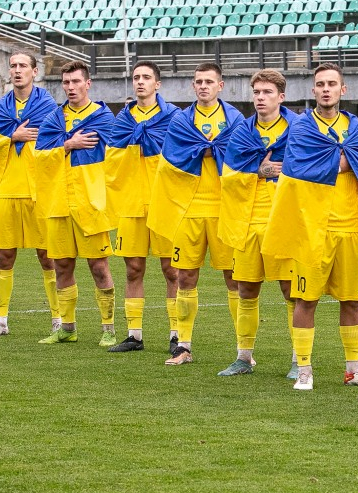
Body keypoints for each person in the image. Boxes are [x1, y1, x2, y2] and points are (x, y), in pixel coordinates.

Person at [262, 62, 358, 391]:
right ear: (313, 90)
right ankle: (304, 369)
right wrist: (342, 162)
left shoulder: (355, 128)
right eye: (320, 84)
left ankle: (354, 370)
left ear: (342, 90)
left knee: (352, 301)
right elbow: (301, 169)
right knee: (305, 299)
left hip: (349, 226)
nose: (326, 89)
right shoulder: (303, 128)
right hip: (311, 227)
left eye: (332, 84)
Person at [147, 63, 242, 366]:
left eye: (209, 82)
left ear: (220, 85)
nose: (203, 86)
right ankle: (183, 345)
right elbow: (173, 157)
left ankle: (243, 350)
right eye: (198, 81)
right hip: (188, 208)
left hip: (224, 209)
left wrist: (209, 150)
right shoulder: (181, 121)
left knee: (234, 278)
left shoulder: (235, 120)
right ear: (193, 85)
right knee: (185, 276)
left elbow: (240, 154)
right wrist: (205, 150)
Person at [215, 69, 299, 376]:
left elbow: (309, 168)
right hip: (249, 220)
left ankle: (299, 359)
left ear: (281, 96)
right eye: (257, 92)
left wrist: (284, 170)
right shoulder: (242, 132)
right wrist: (260, 171)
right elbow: (228, 176)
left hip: (284, 220)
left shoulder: (298, 129)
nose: (260, 98)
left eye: (267, 92)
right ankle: (244, 357)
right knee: (246, 289)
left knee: (291, 291)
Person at [0, 51, 61, 338]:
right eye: (13, 65)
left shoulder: (48, 106)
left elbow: (55, 141)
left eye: (23, 65)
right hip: (8, 190)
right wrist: (13, 136)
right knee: (4, 256)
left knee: (47, 257)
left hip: (39, 190)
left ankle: (58, 318)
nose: (17, 70)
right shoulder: (0, 108)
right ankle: (0, 320)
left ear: (35, 71)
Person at [33, 60, 117, 346]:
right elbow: (38, 158)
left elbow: (116, 156)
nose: (70, 87)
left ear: (88, 84)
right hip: (59, 202)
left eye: (76, 81)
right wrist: (67, 145)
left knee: (99, 266)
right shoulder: (53, 119)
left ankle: (108, 329)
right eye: (66, 83)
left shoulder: (102, 118)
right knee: (62, 266)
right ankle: (67, 328)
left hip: (90, 203)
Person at [105, 61, 180, 353]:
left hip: (165, 203)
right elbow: (111, 158)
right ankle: (134, 335)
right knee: (133, 269)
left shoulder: (173, 117)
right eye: (136, 77)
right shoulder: (123, 119)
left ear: (157, 84)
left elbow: (181, 156)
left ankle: (177, 335)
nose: (140, 82)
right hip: (132, 202)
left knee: (172, 270)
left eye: (146, 77)